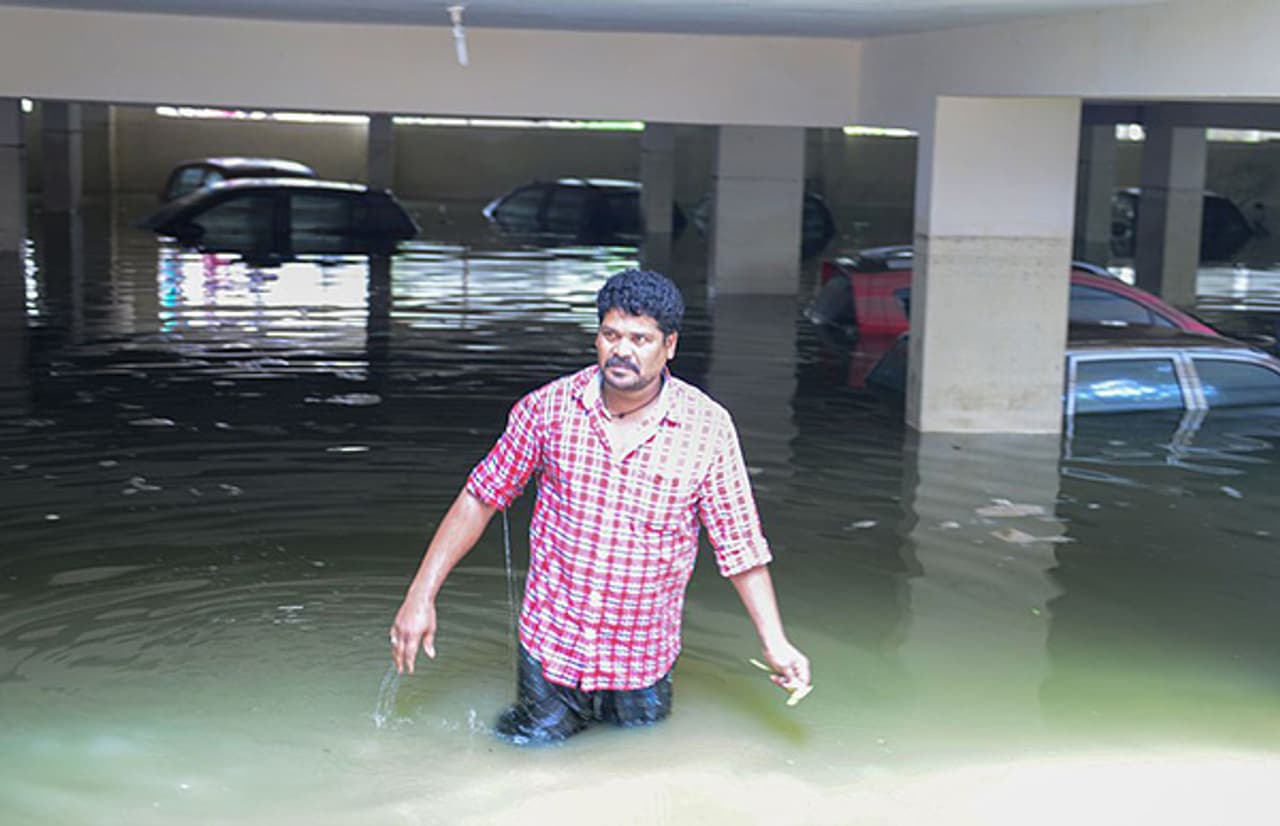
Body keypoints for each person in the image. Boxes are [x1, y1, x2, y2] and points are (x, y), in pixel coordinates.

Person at [389, 268, 810, 744]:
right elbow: (481, 496)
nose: (622, 350)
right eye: (611, 335)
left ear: (670, 345)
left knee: (637, 767)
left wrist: (775, 643)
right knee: (531, 760)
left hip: (641, 659)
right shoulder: (548, 410)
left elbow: (740, 546)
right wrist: (421, 596)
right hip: (552, 649)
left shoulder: (707, 430)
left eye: (640, 338)